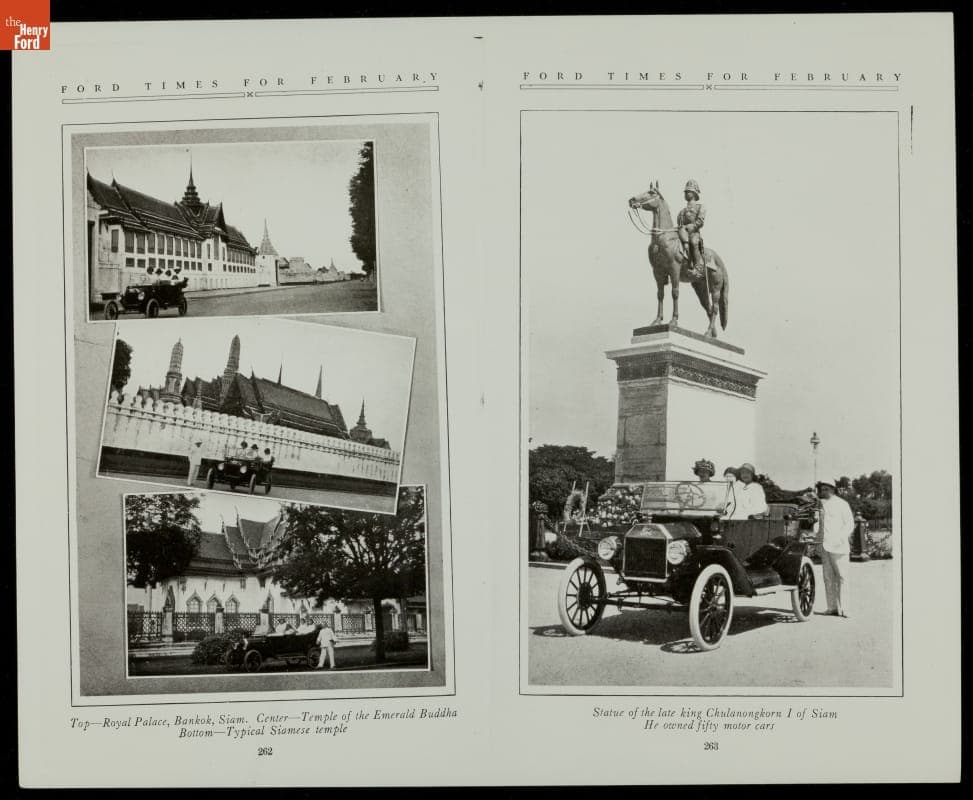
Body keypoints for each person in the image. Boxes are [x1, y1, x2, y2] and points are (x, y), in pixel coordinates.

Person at [816, 479, 855, 617]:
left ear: (833, 489)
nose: (823, 492)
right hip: (825, 546)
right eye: (822, 489)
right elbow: (818, 525)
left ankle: (845, 609)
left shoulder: (842, 504)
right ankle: (831, 607)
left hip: (839, 546)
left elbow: (849, 524)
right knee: (828, 578)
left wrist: (840, 538)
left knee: (842, 577)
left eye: (826, 489)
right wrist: (816, 538)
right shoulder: (820, 505)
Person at [677, 179, 707, 275]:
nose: (686, 194)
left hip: (694, 233)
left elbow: (700, 221)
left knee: (694, 243)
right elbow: (679, 223)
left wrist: (693, 226)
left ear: (694, 193)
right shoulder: (681, 211)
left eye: (688, 192)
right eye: (685, 192)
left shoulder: (700, 207)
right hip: (683, 233)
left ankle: (699, 267)